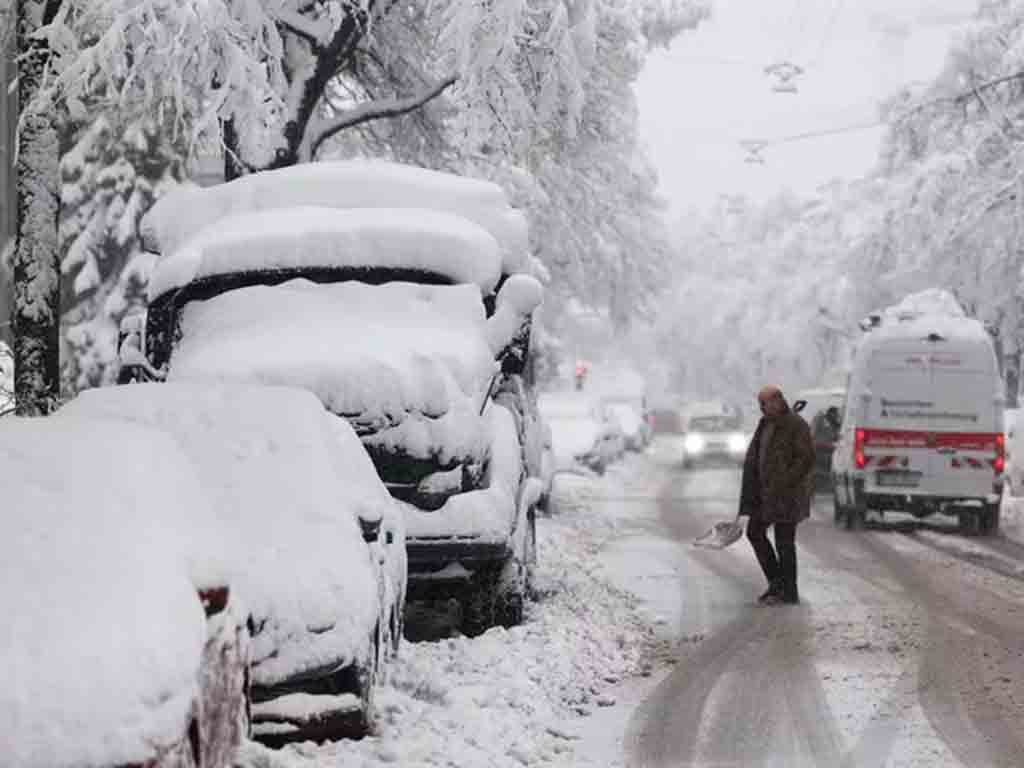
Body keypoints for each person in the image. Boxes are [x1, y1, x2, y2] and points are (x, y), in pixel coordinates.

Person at [738, 385, 815, 605]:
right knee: (755, 532)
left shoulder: (796, 425)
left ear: (780, 401)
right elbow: (755, 457)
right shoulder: (765, 425)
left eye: (769, 402)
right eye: (762, 403)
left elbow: (806, 458)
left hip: (788, 495)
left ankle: (789, 591)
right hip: (766, 494)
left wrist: (786, 482)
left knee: (784, 542)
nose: (765, 407)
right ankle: (776, 582)